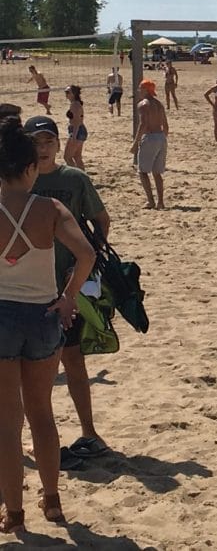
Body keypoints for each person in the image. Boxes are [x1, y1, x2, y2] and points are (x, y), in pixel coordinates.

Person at [0, 116, 96, 533]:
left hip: (2, 314)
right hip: (42, 315)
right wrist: (69, 297)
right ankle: (53, 501)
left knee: (7, 420)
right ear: (31, 167)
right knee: (42, 413)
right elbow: (87, 253)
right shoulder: (50, 208)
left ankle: (14, 512)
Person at [26, 115, 113, 472]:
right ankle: (39, 440)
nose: (43, 148)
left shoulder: (74, 180)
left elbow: (101, 219)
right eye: (36, 142)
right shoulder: (18, 181)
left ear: (58, 144)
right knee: (33, 372)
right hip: (30, 286)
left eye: (48, 141)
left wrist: (89, 257)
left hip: (68, 286)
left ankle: (89, 432)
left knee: (73, 361)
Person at [130, 80, 168, 210]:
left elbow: (143, 124)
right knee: (157, 173)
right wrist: (162, 140)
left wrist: (135, 143)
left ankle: (151, 201)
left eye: (140, 88)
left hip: (150, 137)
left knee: (142, 171)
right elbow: (166, 126)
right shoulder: (159, 104)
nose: (138, 91)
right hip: (161, 137)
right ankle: (161, 202)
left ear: (146, 90)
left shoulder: (143, 104)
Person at [62, 86, 86, 170]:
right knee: (77, 157)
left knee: (67, 157)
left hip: (77, 131)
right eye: (65, 92)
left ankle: (77, 177)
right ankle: (83, 178)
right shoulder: (75, 103)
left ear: (73, 94)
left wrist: (74, 136)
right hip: (80, 131)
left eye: (68, 92)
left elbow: (77, 122)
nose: (66, 94)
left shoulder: (75, 105)